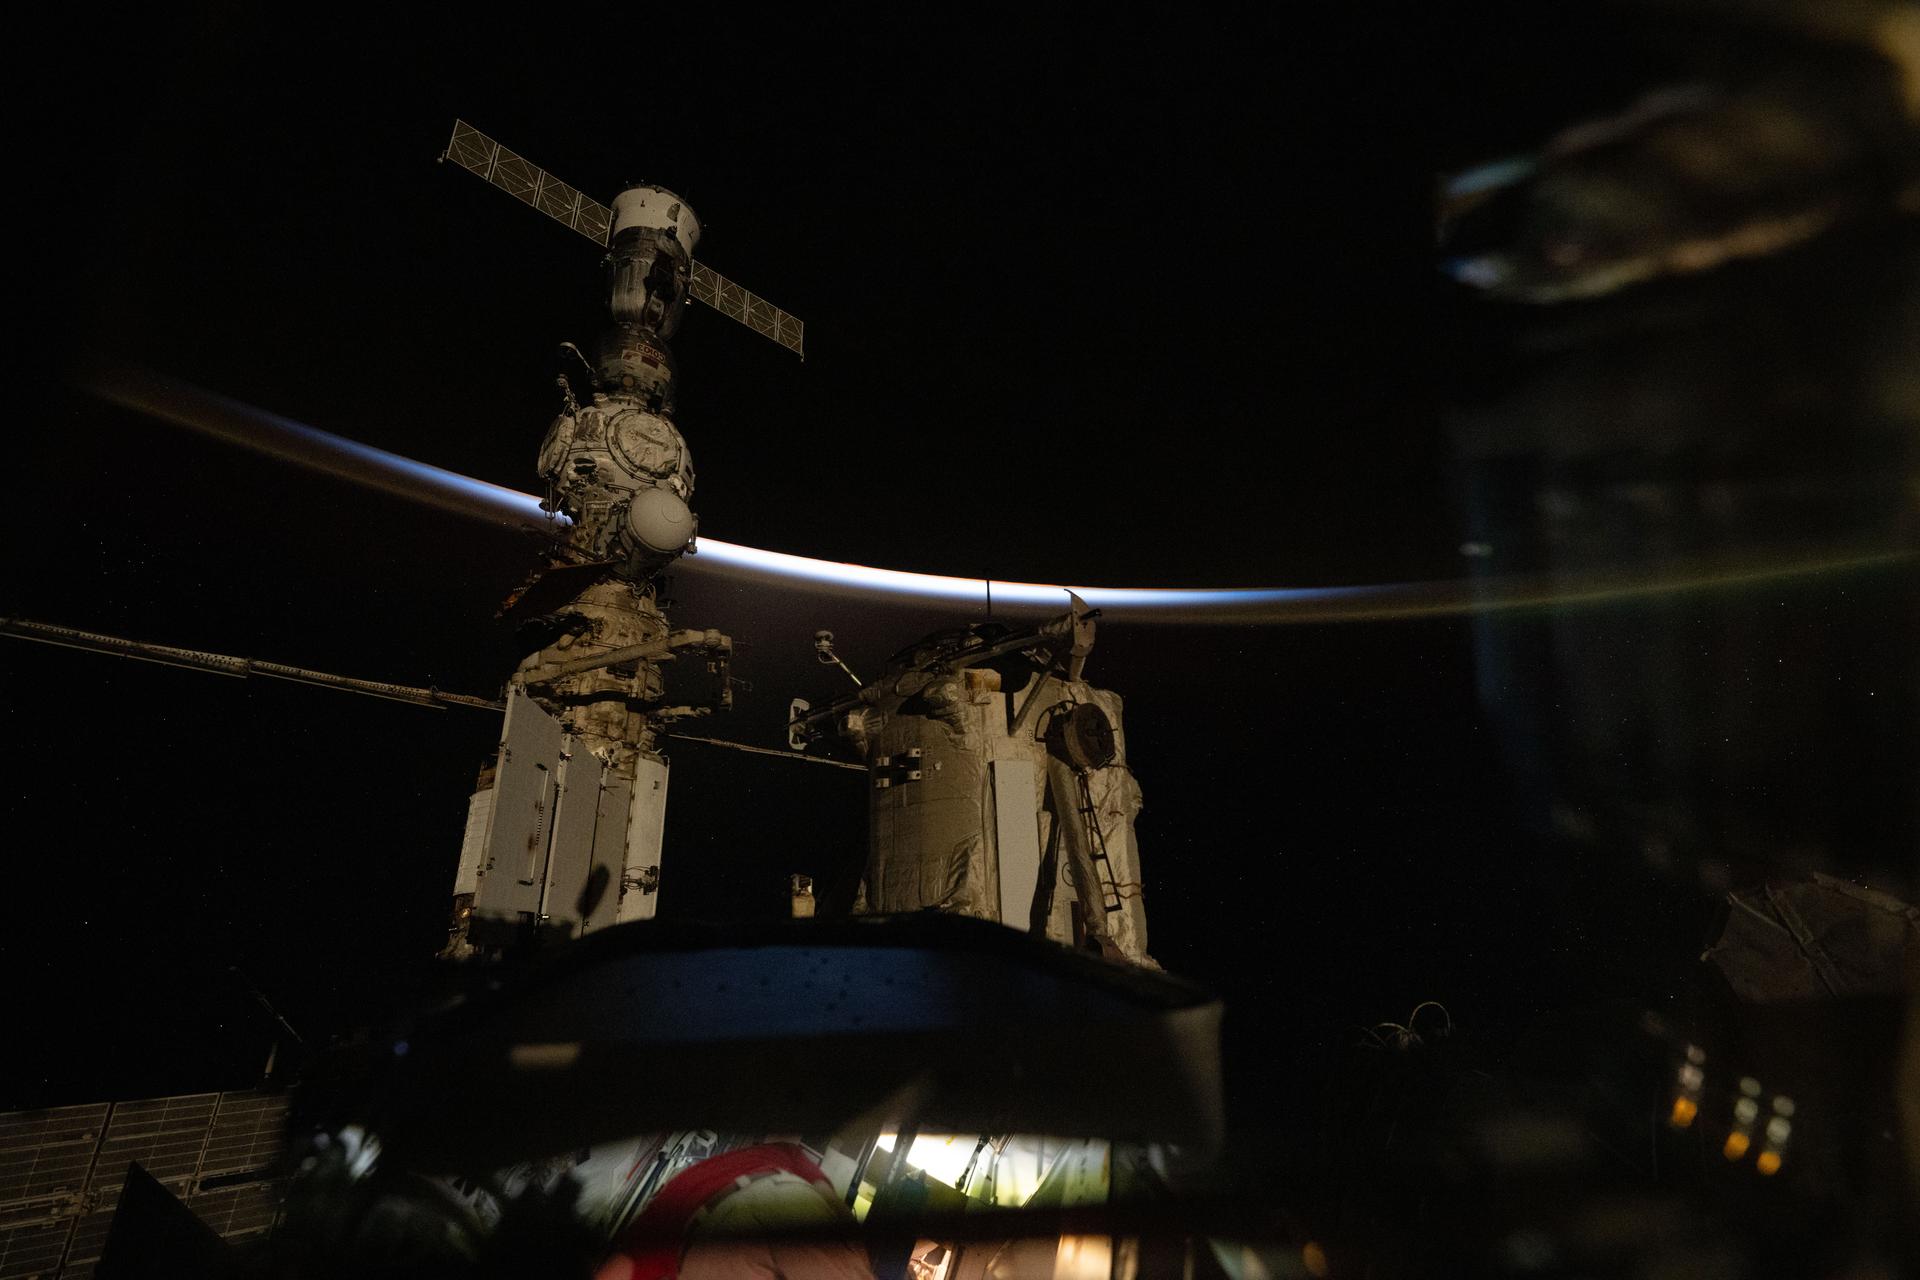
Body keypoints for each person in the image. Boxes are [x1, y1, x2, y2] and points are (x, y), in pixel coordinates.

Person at [595, 1142, 875, 1280]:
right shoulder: (770, 1156)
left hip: (733, 1225)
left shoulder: (663, 1213)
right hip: (782, 1199)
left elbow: (618, 1271)